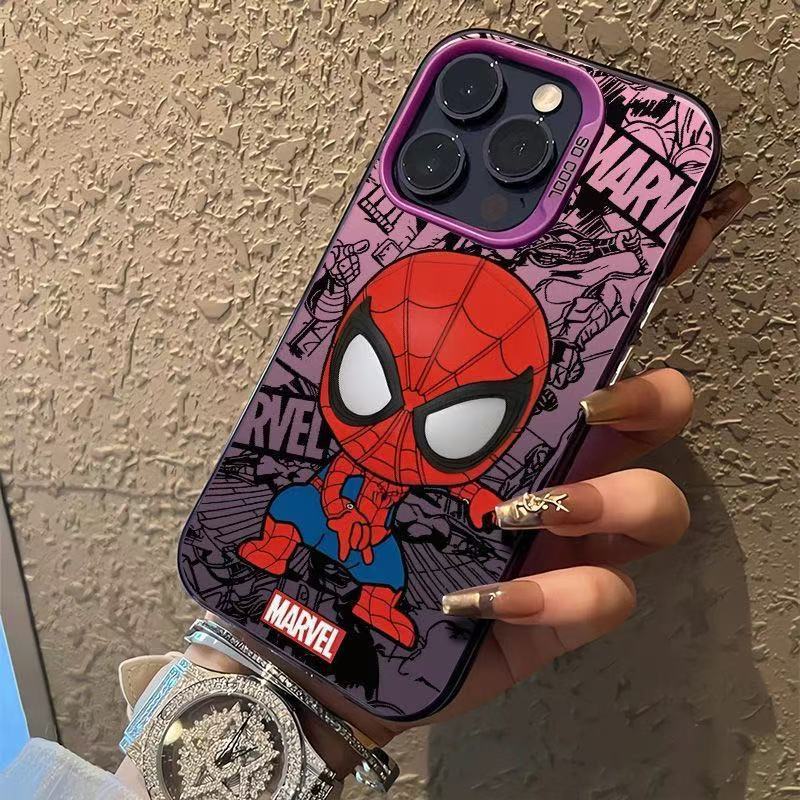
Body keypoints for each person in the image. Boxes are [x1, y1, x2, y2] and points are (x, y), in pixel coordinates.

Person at [0, 183, 751, 799]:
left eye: (452, 419)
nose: (398, 429)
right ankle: (312, 562)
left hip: (362, 551)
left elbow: (463, 494)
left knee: (380, 569)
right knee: (295, 509)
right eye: (373, 380)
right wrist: (266, 677)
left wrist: (315, 711)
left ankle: (375, 598)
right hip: (322, 519)